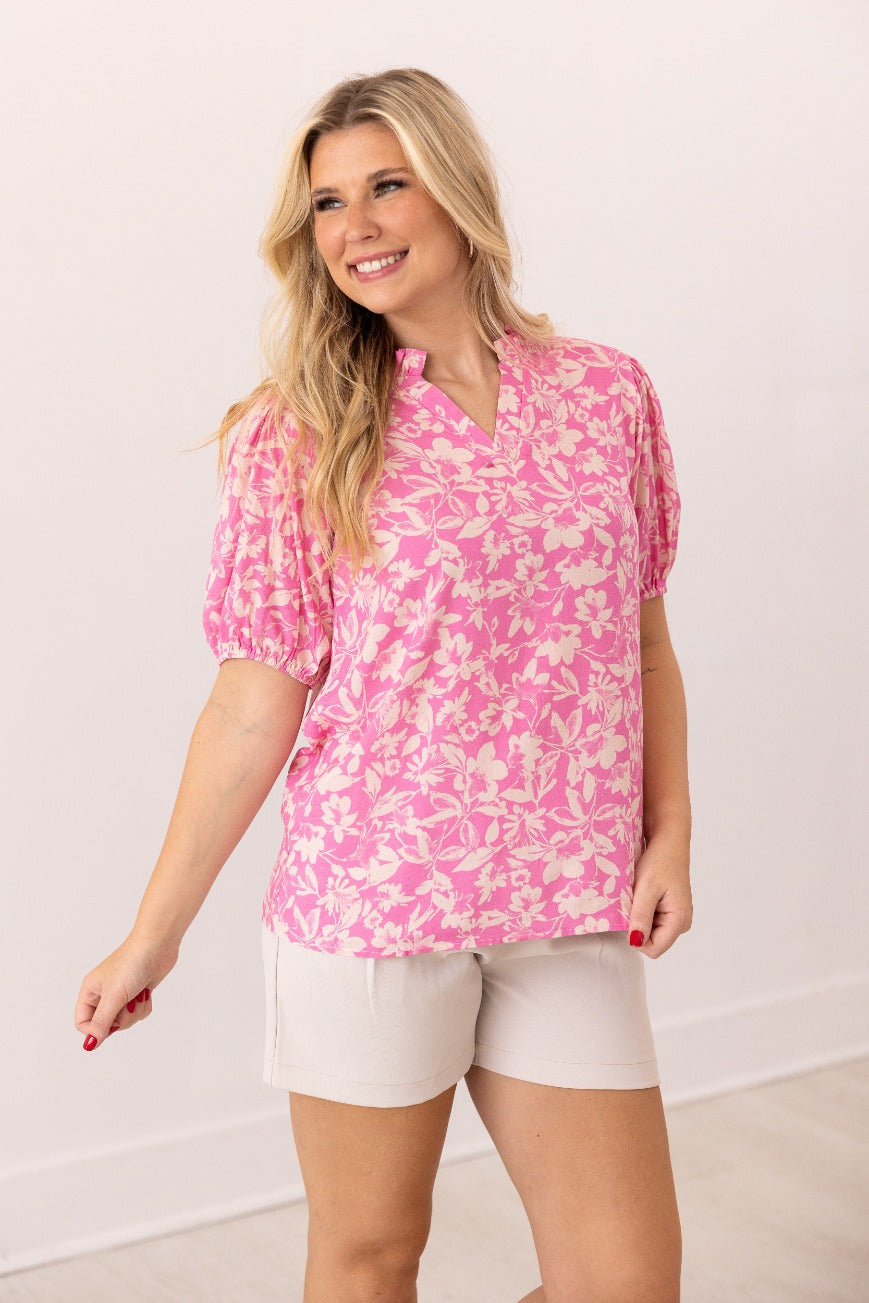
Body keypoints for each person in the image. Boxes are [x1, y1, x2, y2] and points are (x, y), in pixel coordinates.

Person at [75, 67, 693, 1303]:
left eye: (386, 186)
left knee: (623, 1280)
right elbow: (250, 705)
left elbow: (641, 642)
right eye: (326, 203)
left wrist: (667, 830)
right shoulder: (295, 432)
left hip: (568, 899)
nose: (353, 225)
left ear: (456, 191)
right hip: (372, 905)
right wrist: (154, 933)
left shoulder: (603, 394)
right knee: (369, 1261)